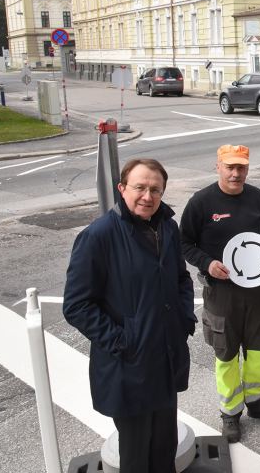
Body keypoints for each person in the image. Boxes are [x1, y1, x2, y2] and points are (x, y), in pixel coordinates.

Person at [64, 158, 196, 473]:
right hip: (129, 368)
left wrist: (183, 320)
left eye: (155, 190)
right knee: (136, 456)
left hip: (164, 360)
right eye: (140, 187)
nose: (147, 196)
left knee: (164, 449)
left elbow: (181, 279)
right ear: (122, 188)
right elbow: (76, 305)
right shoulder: (99, 235)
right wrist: (125, 341)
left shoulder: (166, 225)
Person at [180, 145, 260, 443]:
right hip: (221, 293)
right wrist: (207, 263)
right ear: (218, 167)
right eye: (230, 167)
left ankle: (258, 403)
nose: (236, 173)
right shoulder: (201, 202)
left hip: (257, 290)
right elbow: (184, 243)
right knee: (226, 355)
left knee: (259, 350)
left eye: (241, 167)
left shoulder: (256, 197)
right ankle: (230, 414)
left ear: (247, 168)